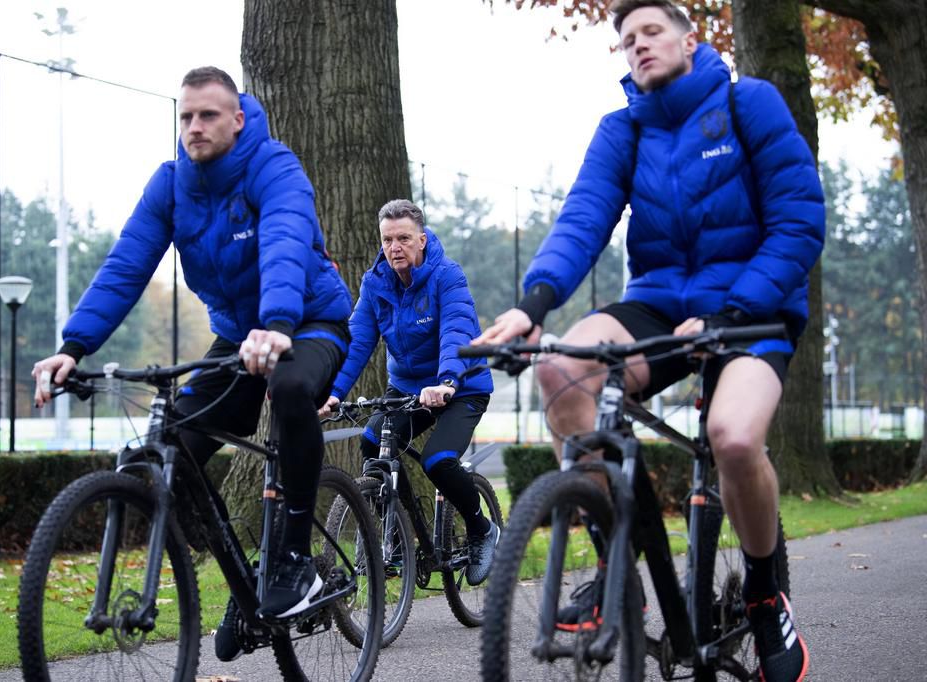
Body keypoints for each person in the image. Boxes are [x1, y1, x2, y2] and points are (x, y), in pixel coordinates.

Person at [474, 2, 821, 680]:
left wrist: (734, 308)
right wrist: (532, 306)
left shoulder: (749, 102)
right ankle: (615, 566)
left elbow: (799, 220)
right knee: (563, 370)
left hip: (754, 307)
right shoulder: (623, 129)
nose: (637, 46)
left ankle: (763, 590)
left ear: (693, 41)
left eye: (651, 31)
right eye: (626, 40)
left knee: (734, 437)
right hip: (661, 303)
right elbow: (582, 219)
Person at [31, 66, 354, 662]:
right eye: (184, 117)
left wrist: (278, 325)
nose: (194, 127)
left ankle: (292, 558)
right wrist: (73, 346)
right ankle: (246, 576)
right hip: (237, 337)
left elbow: (284, 240)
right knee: (174, 445)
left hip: (308, 323)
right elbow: (127, 264)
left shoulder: (275, 167)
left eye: (207, 115)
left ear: (237, 119)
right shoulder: (171, 185)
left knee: (287, 390)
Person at [319, 199, 499, 585]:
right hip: (406, 390)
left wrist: (447, 381)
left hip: (461, 385)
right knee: (372, 447)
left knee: (438, 460)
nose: (394, 247)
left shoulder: (447, 276)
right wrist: (331, 393)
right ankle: (395, 536)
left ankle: (481, 528)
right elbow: (356, 344)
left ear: (421, 239)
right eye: (387, 239)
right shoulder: (375, 284)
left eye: (403, 238)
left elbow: (456, 331)